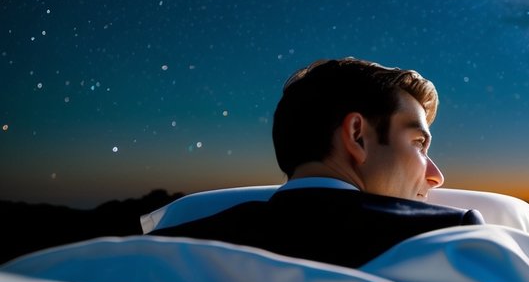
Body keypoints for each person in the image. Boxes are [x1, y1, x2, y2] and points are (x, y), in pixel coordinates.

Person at [153, 57, 483, 267]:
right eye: (418, 144)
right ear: (357, 136)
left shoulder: (163, 250)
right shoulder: (449, 240)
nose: (436, 176)